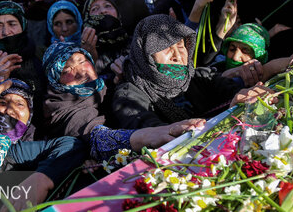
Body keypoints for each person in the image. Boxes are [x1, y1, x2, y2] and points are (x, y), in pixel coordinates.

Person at [42, 42, 205, 161]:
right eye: (66, 71)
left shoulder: (105, 86)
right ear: (55, 81)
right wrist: (153, 135)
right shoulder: (58, 108)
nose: (79, 71)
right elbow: (98, 137)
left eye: (81, 61)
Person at [111, 15, 246, 129]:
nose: (178, 55)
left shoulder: (196, 77)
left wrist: (245, 94)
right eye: (165, 47)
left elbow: (229, 89)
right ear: (145, 54)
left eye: (181, 45)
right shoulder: (128, 96)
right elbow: (148, 130)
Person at [82, 0, 130, 78]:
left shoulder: (135, 43)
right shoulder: (82, 52)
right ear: (87, 18)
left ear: (118, 13)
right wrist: (88, 59)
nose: (103, 11)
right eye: (95, 9)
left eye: (107, 6)